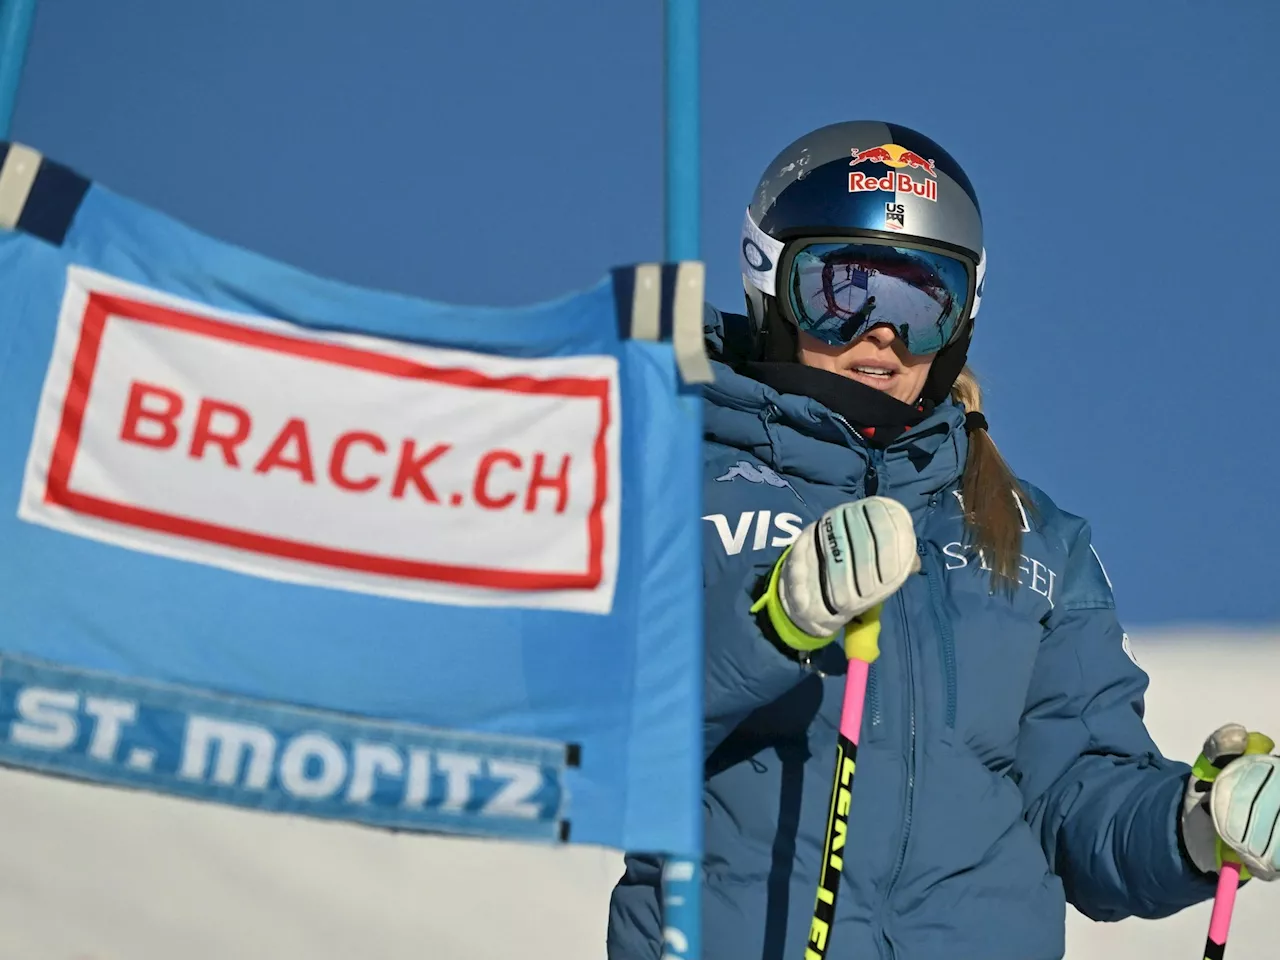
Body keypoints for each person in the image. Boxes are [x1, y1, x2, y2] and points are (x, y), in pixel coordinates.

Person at [607, 120, 1280, 960]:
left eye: (920, 302)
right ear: (770, 282)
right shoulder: (677, 479)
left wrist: (1191, 826)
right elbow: (605, 730)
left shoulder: (1033, 540)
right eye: (840, 289)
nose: (880, 330)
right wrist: (772, 620)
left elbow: (1075, 794)